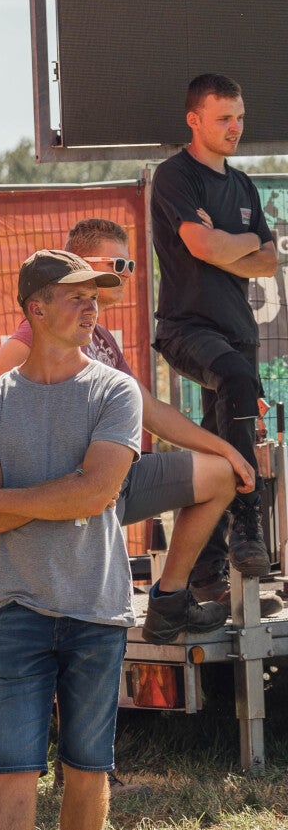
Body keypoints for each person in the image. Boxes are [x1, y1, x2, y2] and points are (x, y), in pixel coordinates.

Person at [0, 251, 140, 830]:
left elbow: (97, 492)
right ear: (35, 308)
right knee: (13, 768)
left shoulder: (116, 390)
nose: (92, 307)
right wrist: (67, 494)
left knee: (87, 766)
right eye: (76, 296)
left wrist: (10, 499)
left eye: (95, 296)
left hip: (97, 605)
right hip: (20, 609)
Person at [0, 216, 244, 640]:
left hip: (119, 478)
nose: (125, 274)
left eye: (130, 266)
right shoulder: (41, 326)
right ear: (81, 266)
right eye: (116, 265)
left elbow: (150, 409)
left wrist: (227, 450)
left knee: (221, 473)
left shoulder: (100, 336)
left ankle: (170, 601)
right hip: (77, 487)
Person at [148, 73, 279, 596]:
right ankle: (249, 518)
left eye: (240, 117)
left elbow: (268, 261)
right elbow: (204, 248)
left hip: (237, 329)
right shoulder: (175, 175)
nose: (235, 127)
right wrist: (238, 242)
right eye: (224, 118)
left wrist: (230, 241)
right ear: (194, 120)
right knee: (236, 378)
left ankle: (205, 577)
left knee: (218, 450)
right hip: (187, 327)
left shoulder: (243, 185)